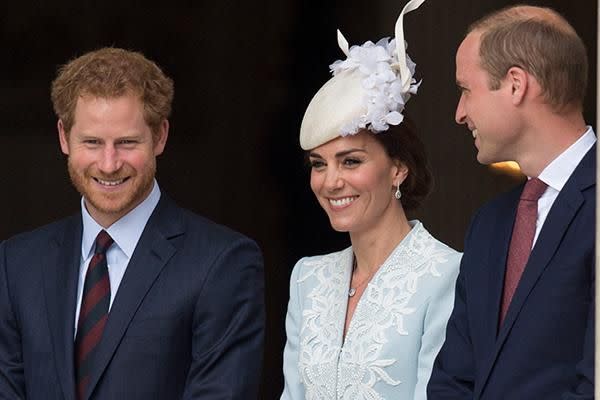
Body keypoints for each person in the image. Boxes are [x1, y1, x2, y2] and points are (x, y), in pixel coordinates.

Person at [0, 47, 265, 399]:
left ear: (160, 136)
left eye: (126, 143)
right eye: (92, 142)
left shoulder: (224, 263)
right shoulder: (16, 264)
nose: (109, 164)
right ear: (64, 137)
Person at [281, 1, 461, 398]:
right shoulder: (307, 278)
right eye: (318, 164)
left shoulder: (448, 275)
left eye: (351, 161)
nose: (331, 182)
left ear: (398, 168)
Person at [428, 5, 595, 400]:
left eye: (466, 89)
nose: (459, 113)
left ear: (516, 85)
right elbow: (452, 380)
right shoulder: (488, 224)